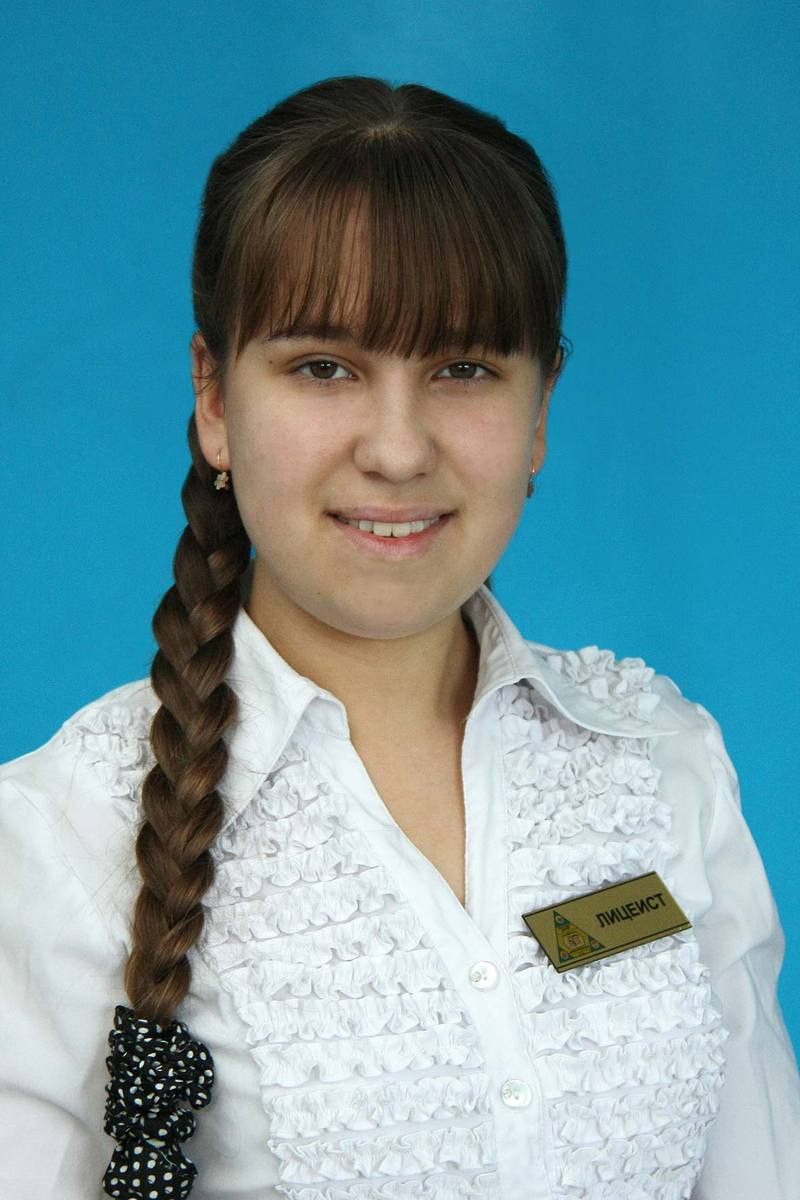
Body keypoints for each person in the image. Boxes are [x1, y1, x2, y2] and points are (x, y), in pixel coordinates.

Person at [1, 73, 798, 1200]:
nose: (397, 448)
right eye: (324, 368)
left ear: (539, 409)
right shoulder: (57, 841)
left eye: (462, 369)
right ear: (214, 399)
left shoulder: (661, 765)